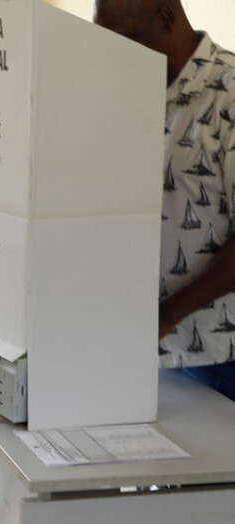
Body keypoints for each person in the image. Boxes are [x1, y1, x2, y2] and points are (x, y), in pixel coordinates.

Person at [95, 1, 235, 398]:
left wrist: (166, 315)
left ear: (166, 19)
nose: (112, 56)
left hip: (218, 357)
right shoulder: (130, 92)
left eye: (125, 41)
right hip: (143, 351)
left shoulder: (227, 95)